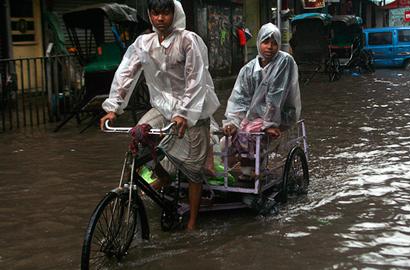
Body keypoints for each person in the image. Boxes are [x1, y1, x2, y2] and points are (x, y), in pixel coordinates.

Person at [99, 0, 220, 230]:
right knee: (139, 136)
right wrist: (112, 108)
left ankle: (192, 220)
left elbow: (196, 79)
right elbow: (126, 73)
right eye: (155, 13)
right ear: (150, 15)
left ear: (174, 14)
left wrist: (184, 113)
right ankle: (162, 174)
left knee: (194, 170)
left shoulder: (188, 40)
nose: (160, 18)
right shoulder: (143, 43)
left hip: (193, 109)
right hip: (162, 108)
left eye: (165, 13)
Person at [222, 23, 301, 155]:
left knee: (249, 136)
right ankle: (241, 168)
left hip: (280, 114)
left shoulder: (284, 62)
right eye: (266, 42)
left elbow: (276, 96)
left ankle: (249, 170)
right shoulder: (248, 69)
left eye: (274, 43)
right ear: (259, 42)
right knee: (227, 142)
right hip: (254, 116)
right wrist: (233, 122)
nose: (270, 47)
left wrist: (269, 124)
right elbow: (240, 98)